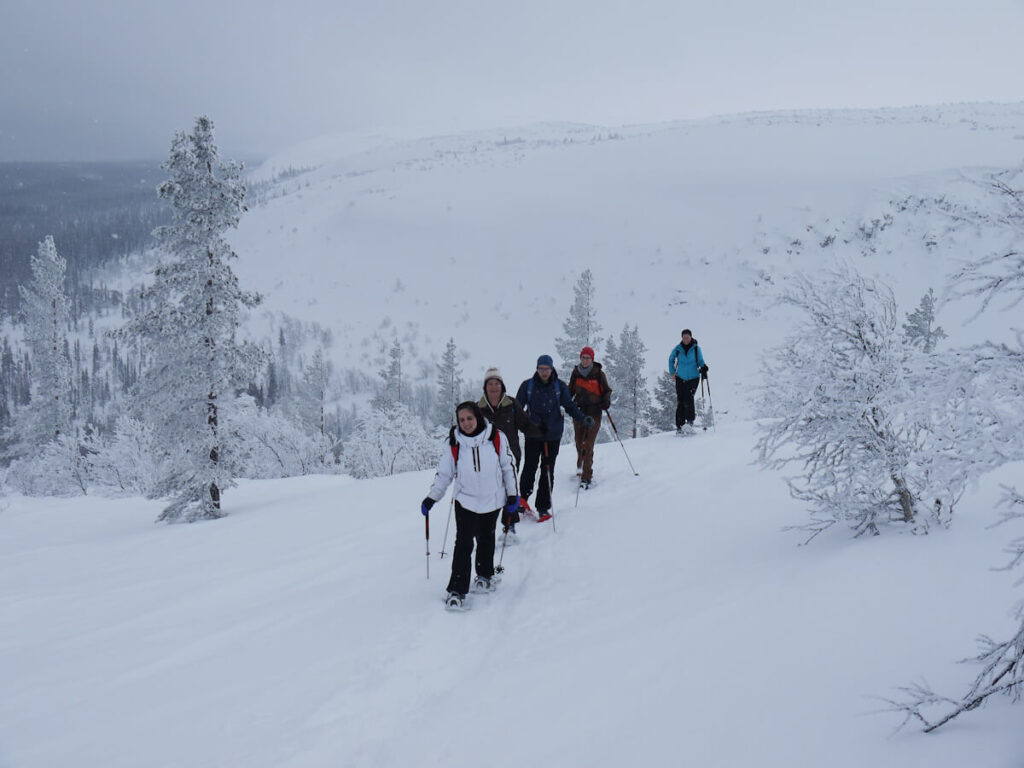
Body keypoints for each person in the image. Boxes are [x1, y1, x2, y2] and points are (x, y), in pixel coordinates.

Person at [421, 401, 519, 609]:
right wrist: (432, 497)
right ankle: (457, 590)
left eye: (469, 418)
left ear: (478, 417)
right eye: (462, 420)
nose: (466, 423)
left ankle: (484, 576)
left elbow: (508, 467)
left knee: (486, 539)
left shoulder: (496, 437)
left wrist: (512, 494)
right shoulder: (454, 443)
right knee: (463, 544)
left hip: (492, 500)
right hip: (465, 501)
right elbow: (444, 474)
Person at [515, 355, 593, 521]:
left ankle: (543, 507)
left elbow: (569, 406)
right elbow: (517, 408)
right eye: (541, 369)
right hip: (533, 434)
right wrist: (514, 424)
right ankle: (522, 500)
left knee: (547, 470)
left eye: (547, 369)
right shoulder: (527, 386)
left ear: (551, 369)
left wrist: (582, 418)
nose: (544, 372)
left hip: (553, 435)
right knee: (530, 466)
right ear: (537, 369)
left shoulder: (559, 386)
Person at [477, 367, 541, 535]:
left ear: (502, 385)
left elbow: (525, 425)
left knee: (509, 491)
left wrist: (541, 431)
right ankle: (487, 529)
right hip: (487, 458)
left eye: (496, 383)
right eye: (490, 383)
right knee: (489, 492)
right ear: (485, 387)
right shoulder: (478, 409)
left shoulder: (512, 404)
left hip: (511, 456)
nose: (493, 387)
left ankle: (510, 527)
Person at [567, 346, 611, 488]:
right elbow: (570, 391)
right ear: (580, 358)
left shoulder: (598, 373)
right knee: (579, 442)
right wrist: (566, 402)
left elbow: (607, 390)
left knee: (588, 443)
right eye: (583, 357)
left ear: (592, 359)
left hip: (594, 412)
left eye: (588, 358)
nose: (585, 360)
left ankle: (586, 476)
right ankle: (580, 468)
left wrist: (606, 401)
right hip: (579, 412)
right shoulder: (576, 373)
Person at [668, 329, 708, 433]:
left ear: (691, 337)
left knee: (689, 398)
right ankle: (680, 426)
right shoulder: (678, 348)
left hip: (693, 377)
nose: (686, 339)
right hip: (680, 377)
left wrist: (703, 367)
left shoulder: (696, 349)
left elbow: (700, 361)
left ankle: (689, 422)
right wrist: (672, 372)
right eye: (684, 337)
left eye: (687, 337)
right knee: (680, 399)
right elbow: (671, 359)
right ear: (682, 338)